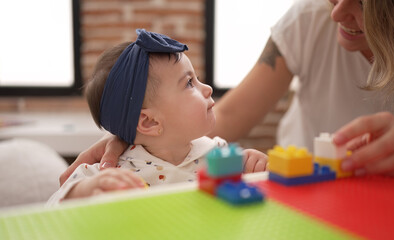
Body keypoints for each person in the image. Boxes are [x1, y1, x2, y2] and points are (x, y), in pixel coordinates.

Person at [60, 0, 394, 185]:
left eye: (362, 3)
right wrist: (141, 135)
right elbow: (64, 204)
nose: (336, 13)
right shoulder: (310, 17)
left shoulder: (214, 154)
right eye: (188, 83)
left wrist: (254, 167)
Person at [49, 29, 267, 205]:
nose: (208, 89)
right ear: (150, 121)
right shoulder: (111, 171)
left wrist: (252, 170)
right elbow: (50, 209)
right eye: (189, 83)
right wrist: (83, 190)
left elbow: (245, 200)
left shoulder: (219, 154)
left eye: (197, 79)